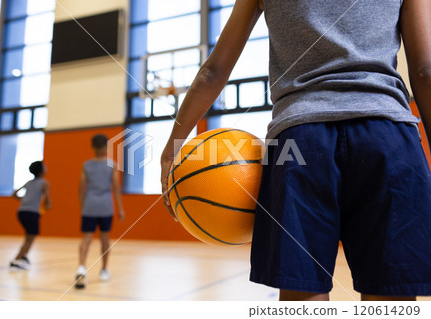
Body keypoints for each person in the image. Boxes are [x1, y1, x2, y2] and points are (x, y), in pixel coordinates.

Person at [161, 0, 431, 301]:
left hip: (300, 140)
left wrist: (173, 148)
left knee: (302, 296)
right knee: (390, 298)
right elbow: (425, 71)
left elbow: (213, 72)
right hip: (388, 137)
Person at [75, 134, 125, 289]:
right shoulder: (112, 164)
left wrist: (83, 205)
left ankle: (82, 266)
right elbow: (116, 188)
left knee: (86, 238)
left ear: (93, 147)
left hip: (90, 204)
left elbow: (82, 188)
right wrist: (120, 208)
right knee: (105, 238)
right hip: (105, 205)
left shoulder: (86, 165)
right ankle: (104, 270)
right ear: (106, 147)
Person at [11, 161, 51, 271]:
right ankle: (16, 261)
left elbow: (14, 194)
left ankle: (23, 257)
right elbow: (47, 201)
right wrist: (48, 206)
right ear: (42, 170)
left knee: (29, 237)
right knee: (29, 238)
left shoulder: (29, 182)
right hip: (32, 212)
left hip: (21, 212)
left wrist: (23, 200)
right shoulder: (44, 183)